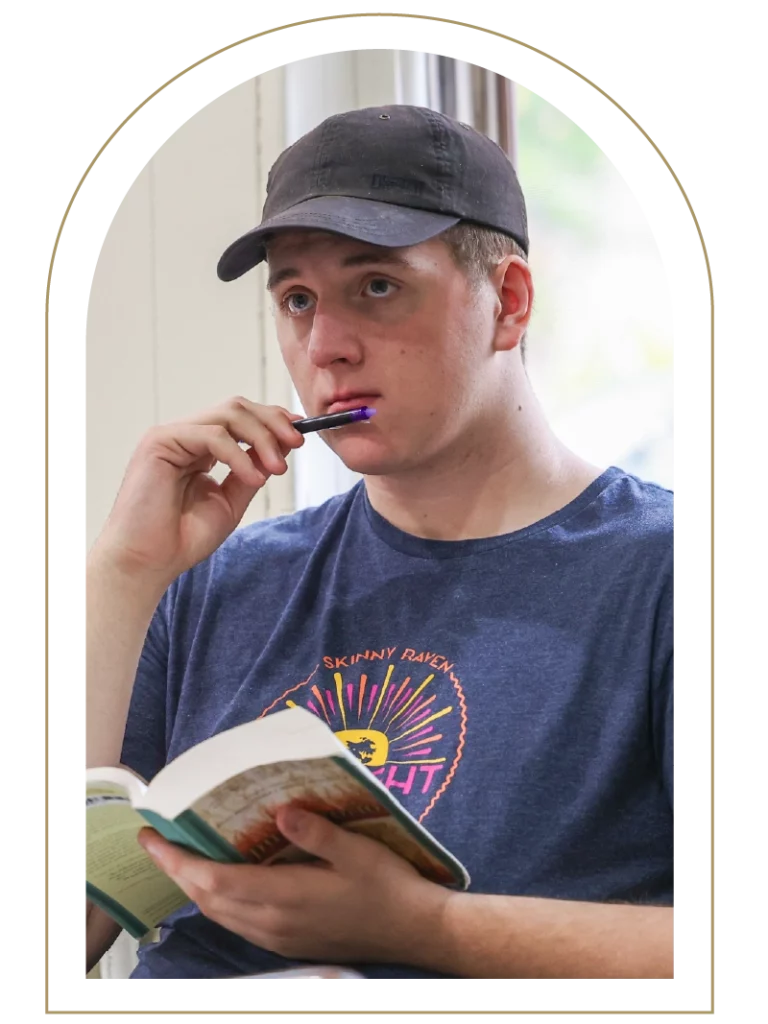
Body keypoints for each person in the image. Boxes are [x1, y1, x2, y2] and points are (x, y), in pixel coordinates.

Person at [82, 104, 678, 983]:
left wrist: (429, 927)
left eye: (377, 287)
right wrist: (121, 577)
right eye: (297, 299)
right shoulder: (213, 579)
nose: (325, 347)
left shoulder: (663, 570)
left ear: (507, 303)